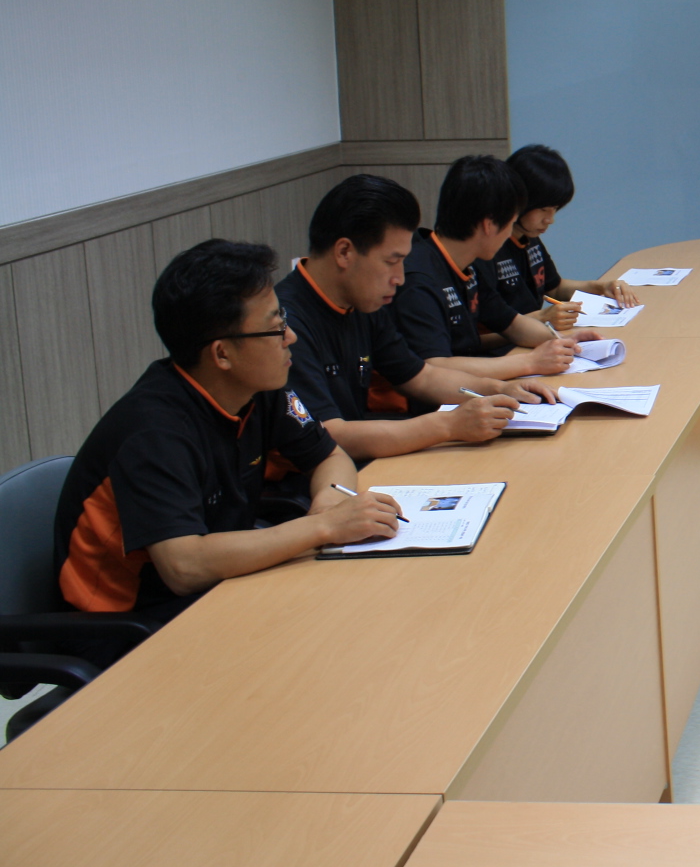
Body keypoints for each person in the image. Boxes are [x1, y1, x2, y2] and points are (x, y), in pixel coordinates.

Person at [54, 240, 404, 636]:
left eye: (284, 318)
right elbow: (184, 567)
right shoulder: (152, 431)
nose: (290, 337)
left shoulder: (257, 387)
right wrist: (323, 528)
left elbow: (329, 456)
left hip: (217, 590)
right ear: (222, 354)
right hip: (126, 630)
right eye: (275, 327)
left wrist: (329, 502)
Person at [278, 174, 561, 461]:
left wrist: (500, 389)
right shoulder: (285, 325)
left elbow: (422, 377)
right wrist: (449, 425)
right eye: (392, 261)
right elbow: (330, 434)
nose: (400, 278)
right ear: (344, 252)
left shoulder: (359, 302)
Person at [394, 155, 598, 380]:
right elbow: (434, 366)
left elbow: (512, 323)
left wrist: (564, 342)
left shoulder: (466, 265)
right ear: (489, 225)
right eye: (510, 224)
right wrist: (531, 362)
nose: (510, 234)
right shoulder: (418, 279)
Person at [484, 144, 639, 329]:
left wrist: (601, 287)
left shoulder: (529, 237)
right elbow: (482, 333)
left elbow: (555, 288)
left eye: (555, 209)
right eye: (543, 209)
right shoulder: (488, 250)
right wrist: (542, 317)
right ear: (518, 200)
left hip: (534, 337)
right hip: (513, 342)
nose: (550, 219)